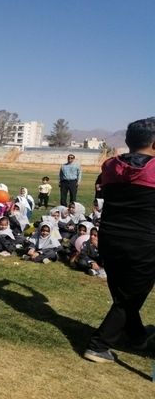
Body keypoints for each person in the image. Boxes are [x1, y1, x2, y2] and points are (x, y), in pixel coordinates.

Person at [84, 117, 155, 363]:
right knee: (130, 298)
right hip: (144, 243)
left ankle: (136, 335)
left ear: (127, 141)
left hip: (110, 238)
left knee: (123, 295)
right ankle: (98, 345)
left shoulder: (110, 166)